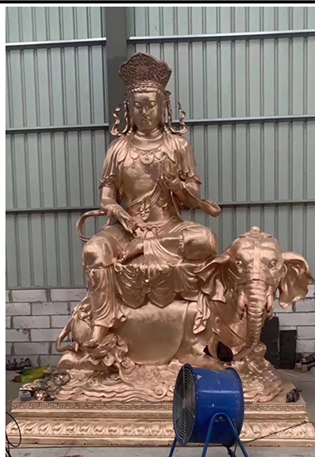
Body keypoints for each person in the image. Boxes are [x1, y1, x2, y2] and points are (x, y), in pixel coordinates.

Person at [80, 53, 221, 347]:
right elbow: (106, 196)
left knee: (205, 240)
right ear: (128, 109)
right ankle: (102, 322)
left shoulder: (177, 146)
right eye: (138, 106)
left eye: (150, 105)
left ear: (163, 106)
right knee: (94, 250)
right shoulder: (118, 149)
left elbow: (194, 198)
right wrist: (120, 213)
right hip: (127, 229)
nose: (144, 112)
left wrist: (177, 186)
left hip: (169, 225)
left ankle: (146, 248)